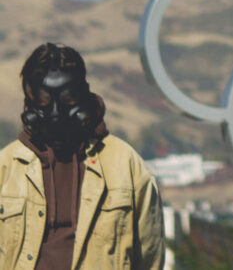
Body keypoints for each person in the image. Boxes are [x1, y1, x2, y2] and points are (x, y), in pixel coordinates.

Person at [0, 43, 164, 270]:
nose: (56, 113)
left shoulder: (126, 165)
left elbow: (150, 260)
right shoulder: (5, 168)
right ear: (30, 105)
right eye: (45, 102)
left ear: (83, 96)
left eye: (67, 100)